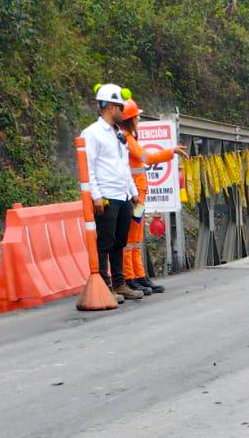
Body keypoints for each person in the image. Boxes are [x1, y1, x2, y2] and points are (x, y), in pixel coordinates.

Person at [119, 98, 188, 295]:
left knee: (136, 236)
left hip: (139, 196)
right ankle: (131, 278)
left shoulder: (130, 139)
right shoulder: (128, 141)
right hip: (134, 196)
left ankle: (140, 276)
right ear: (130, 119)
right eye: (137, 117)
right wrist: (170, 152)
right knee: (131, 238)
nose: (139, 119)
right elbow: (146, 158)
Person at [82, 83, 143, 302]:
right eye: (119, 107)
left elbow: (123, 165)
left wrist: (133, 191)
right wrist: (96, 195)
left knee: (120, 241)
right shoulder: (92, 133)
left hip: (123, 195)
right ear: (109, 107)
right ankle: (104, 285)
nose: (123, 111)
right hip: (106, 196)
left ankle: (120, 283)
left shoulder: (119, 134)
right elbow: (88, 167)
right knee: (105, 243)